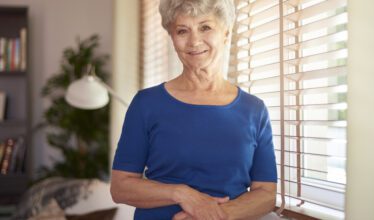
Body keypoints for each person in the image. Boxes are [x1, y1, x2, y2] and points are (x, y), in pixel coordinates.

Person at [110, 0, 277, 219]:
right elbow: (120, 187)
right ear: (172, 37)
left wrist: (215, 215)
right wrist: (182, 194)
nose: (194, 41)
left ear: (226, 33)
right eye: (182, 31)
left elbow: (266, 194)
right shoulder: (146, 103)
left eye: (205, 27)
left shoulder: (254, 110)